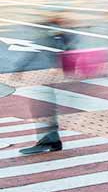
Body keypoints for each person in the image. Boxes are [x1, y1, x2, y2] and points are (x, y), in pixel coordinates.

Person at [19, 13, 72, 156]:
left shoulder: (59, 37)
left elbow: (67, 52)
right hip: (52, 79)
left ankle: (49, 140)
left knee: (43, 108)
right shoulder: (50, 37)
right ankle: (52, 140)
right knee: (45, 107)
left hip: (58, 80)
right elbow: (33, 53)